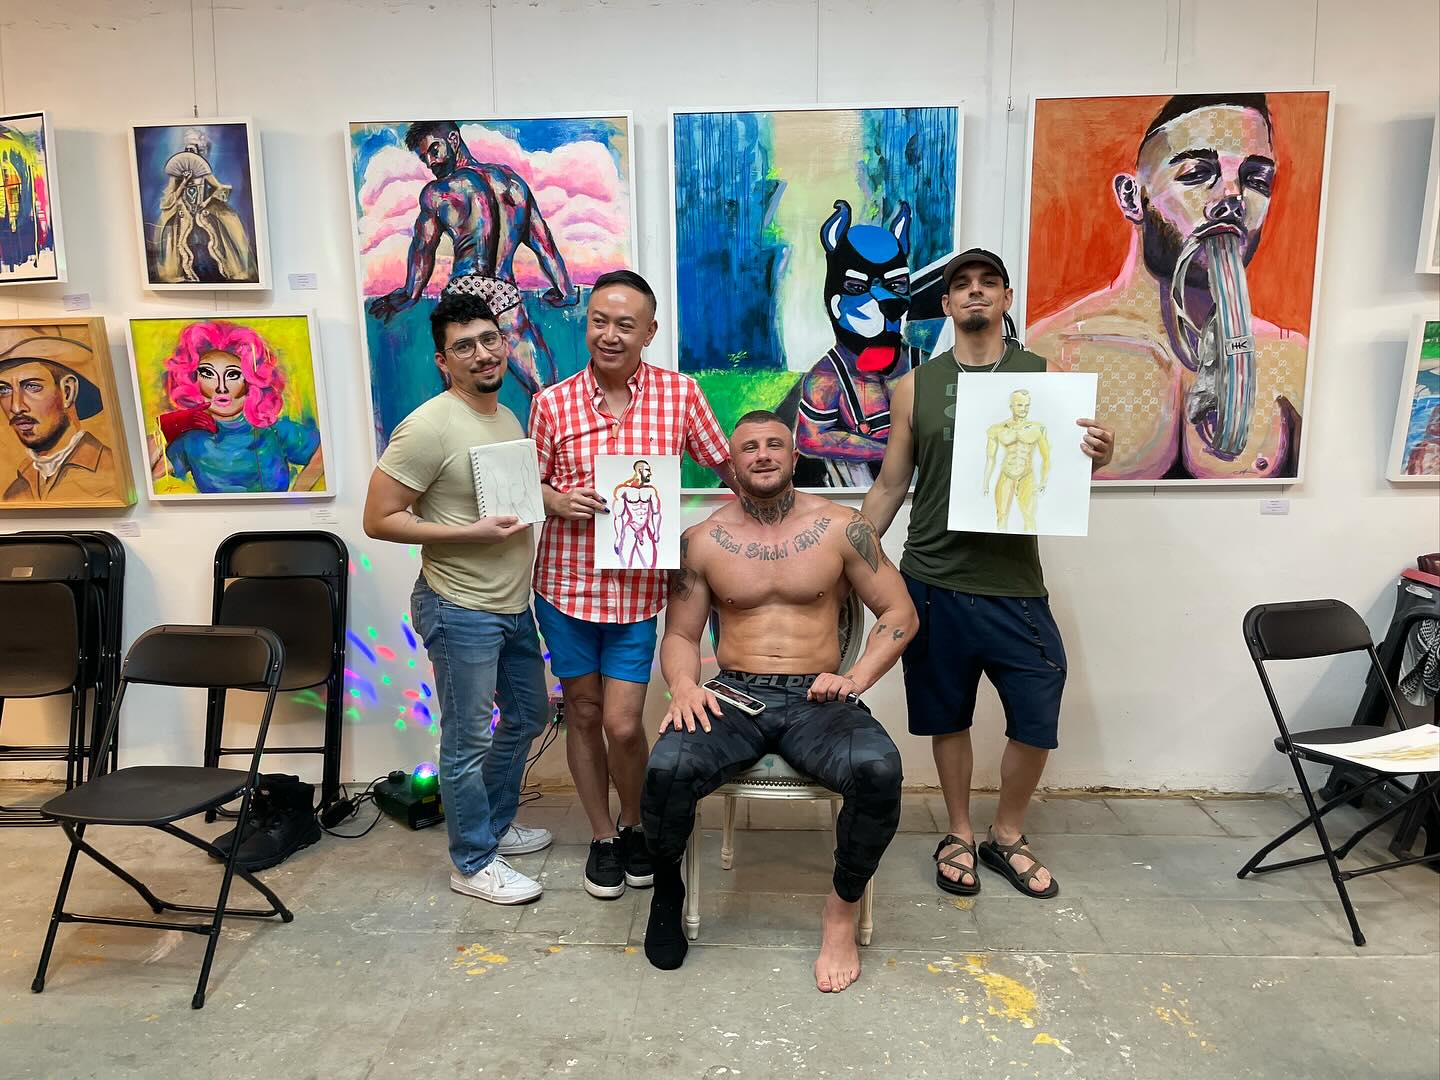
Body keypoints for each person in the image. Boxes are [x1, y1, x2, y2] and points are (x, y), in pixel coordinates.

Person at [861, 249, 1114, 901]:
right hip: (931, 578)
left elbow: (1064, 475)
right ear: (946, 304)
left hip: (1013, 585)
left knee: (1037, 710)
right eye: (962, 285)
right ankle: (958, 833)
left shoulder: (1047, 378)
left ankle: (1008, 834)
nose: (975, 292)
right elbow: (890, 485)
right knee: (948, 715)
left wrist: (1096, 457)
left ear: (1005, 298)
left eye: (988, 283)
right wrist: (850, 556)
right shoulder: (917, 385)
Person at [640, 410, 914, 992]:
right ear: (732, 464)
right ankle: (667, 893)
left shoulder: (843, 528)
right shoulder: (702, 540)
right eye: (748, 448)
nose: (762, 455)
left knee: (879, 770)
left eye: (774, 445)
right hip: (733, 694)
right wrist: (684, 687)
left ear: (794, 458)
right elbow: (681, 635)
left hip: (817, 695)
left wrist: (856, 678)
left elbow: (899, 613)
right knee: (665, 769)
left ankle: (840, 911)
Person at [529, 269, 735, 901]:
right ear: (586, 324)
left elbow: (726, 464)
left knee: (623, 723)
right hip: (565, 587)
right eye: (599, 321)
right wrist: (555, 500)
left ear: (649, 331)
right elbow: (527, 485)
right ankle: (602, 837)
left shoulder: (680, 394)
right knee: (583, 714)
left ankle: (636, 822)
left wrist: (775, 518)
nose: (609, 334)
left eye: (625, 324)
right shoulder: (552, 402)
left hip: (639, 593)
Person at [362, 292, 553, 905]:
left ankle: (492, 825)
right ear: (443, 361)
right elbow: (378, 518)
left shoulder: (507, 416)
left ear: (504, 341)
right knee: (467, 740)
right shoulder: (428, 426)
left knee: (530, 715)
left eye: (489, 339)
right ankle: (472, 861)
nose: (482, 353)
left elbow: (511, 502)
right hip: (459, 606)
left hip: (511, 604)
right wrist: (467, 534)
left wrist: (555, 501)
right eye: (463, 346)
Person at [1027, 94, 1303, 481]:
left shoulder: (1287, 359)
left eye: (1256, 180)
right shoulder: (1054, 351)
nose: (1232, 198)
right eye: (1196, 173)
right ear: (1131, 197)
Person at [367, 120, 578, 397]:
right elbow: (544, 244)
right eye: (424, 158)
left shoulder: (438, 192)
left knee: (461, 400)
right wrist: (565, 291)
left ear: (453, 140)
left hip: (463, 293)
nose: (430, 162)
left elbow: (423, 248)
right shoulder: (514, 185)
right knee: (546, 393)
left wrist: (410, 294)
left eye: (433, 150)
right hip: (504, 292)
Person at [150, 320, 323, 494]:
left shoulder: (272, 430)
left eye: (232, 375)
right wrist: (166, 429)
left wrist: (299, 491)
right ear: (193, 378)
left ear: (251, 380)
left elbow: (324, 451)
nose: (221, 387)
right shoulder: (192, 438)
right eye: (208, 374)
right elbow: (147, 472)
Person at [0, 330, 117, 502]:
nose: (16, 407)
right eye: (4, 390)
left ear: (67, 392)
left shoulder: (111, 473)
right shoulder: (15, 492)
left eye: (32, 386)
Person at [152, 127, 257, 285]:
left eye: (194, 148)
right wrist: (184, 182)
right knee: (175, 239)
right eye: (188, 148)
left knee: (223, 231)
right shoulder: (176, 175)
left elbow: (220, 188)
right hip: (183, 214)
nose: (190, 152)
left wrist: (206, 202)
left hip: (203, 213)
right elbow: (171, 195)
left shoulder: (204, 172)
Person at [984, 389, 1050, 532]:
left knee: (1029, 517)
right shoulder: (997, 429)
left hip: (1027, 475)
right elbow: (990, 458)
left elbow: (1046, 458)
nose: (1024, 409)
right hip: (1006, 475)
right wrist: (985, 482)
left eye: (1027, 405)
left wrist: (1044, 481)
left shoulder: (1038, 428)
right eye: (1020, 405)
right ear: (1011, 406)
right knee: (1001, 516)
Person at [611, 459, 661, 569]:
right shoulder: (623, 490)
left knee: (650, 563)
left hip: (645, 529)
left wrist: (656, 532)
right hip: (630, 528)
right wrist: (618, 537)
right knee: (625, 563)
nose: (650, 473)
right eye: (647, 470)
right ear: (640, 470)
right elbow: (618, 516)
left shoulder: (651, 491)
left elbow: (656, 512)